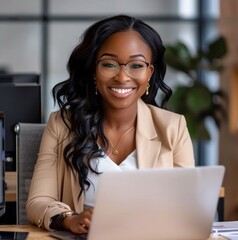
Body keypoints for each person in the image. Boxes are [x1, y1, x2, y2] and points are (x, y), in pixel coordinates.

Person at [26, 14, 195, 233]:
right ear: (93, 71)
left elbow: (188, 207)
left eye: (136, 65)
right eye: (109, 64)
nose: (122, 77)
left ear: (149, 74)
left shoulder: (174, 127)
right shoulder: (62, 125)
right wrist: (69, 219)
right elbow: (37, 202)